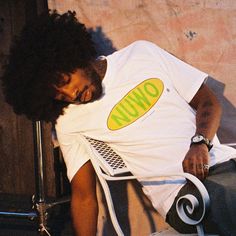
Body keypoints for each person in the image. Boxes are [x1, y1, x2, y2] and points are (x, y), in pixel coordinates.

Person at [1, 10, 236, 236]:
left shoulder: (143, 53)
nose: (71, 94)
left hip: (226, 165)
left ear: (72, 55)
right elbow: (84, 197)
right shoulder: (69, 121)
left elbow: (208, 102)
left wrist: (200, 143)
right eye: (60, 96)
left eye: (66, 80)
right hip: (184, 194)